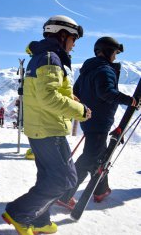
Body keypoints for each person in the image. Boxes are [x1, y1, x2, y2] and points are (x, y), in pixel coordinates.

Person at [2, 15, 91, 235]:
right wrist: (79, 111)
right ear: (62, 35)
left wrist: (71, 98)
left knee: (49, 176)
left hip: (41, 126)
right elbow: (47, 97)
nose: (74, 44)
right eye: (73, 38)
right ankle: (19, 213)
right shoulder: (51, 58)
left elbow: (45, 91)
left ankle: (40, 220)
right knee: (65, 179)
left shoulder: (45, 56)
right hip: (48, 128)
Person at [57, 37, 140, 208]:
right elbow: (106, 93)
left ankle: (101, 190)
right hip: (99, 122)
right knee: (89, 158)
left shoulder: (87, 71)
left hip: (89, 120)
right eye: (115, 52)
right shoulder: (105, 70)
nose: (115, 57)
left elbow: (76, 92)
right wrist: (130, 100)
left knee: (100, 157)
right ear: (108, 51)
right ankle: (65, 195)